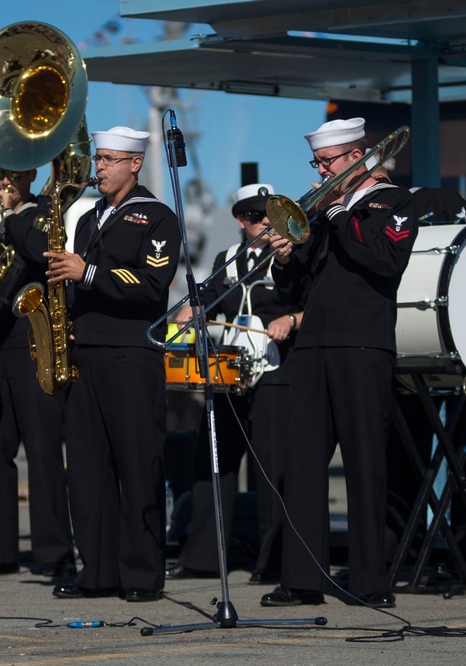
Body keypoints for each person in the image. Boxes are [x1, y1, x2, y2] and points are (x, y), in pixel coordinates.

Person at [261, 118, 417, 608]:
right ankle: (302, 579)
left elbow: (384, 262)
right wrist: (287, 256)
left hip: (363, 345)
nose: (320, 172)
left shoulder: (393, 202)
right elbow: (296, 290)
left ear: (356, 156)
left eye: (327, 163)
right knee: (302, 463)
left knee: (365, 463)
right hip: (314, 347)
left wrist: (333, 215)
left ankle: (371, 581)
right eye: (318, 164)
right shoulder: (326, 216)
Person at [36, 126, 180, 602]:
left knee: (137, 466)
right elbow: (78, 284)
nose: (98, 167)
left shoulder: (158, 217)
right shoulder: (88, 217)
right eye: (98, 159)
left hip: (131, 354)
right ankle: (96, 572)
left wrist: (87, 271)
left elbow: (151, 285)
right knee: (87, 469)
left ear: (135, 164)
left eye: (110, 160)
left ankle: (141, 576)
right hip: (86, 354)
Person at [165, 183, 301, 584]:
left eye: (271, 216)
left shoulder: (292, 255)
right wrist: (191, 309)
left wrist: (291, 319)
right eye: (258, 217)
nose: (266, 223)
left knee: (271, 468)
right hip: (230, 373)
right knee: (213, 462)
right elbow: (206, 297)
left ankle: (273, 559)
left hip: (274, 373)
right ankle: (203, 556)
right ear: (241, 221)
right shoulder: (228, 259)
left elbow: (313, 300)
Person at [0, 166, 75, 576]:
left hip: (34, 342)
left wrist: (12, 218)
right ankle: (0, 549)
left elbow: (38, 253)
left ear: (30, 175)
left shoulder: (43, 214)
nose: (4, 181)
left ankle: (52, 551)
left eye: (13, 174)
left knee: (43, 448)